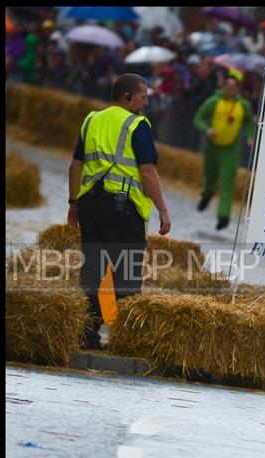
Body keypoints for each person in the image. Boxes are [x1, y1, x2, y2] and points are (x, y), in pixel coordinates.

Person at [67, 73, 171, 350]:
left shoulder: (91, 120)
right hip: (122, 209)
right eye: (143, 96)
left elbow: (75, 166)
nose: (146, 102)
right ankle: (126, 341)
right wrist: (163, 210)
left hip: (89, 205)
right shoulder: (138, 124)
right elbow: (148, 172)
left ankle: (86, 335)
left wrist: (73, 203)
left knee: (91, 271)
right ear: (127, 98)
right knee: (126, 274)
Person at [193, 69, 255, 230]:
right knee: (210, 176)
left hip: (230, 150)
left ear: (238, 89)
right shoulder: (214, 101)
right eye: (228, 85)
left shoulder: (243, 106)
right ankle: (207, 194)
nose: (231, 89)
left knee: (227, 182)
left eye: (234, 86)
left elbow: (249, 122)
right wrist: (207, 129)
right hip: (212, 147)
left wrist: (250, 136)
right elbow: (199, 118)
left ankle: (223, 216)